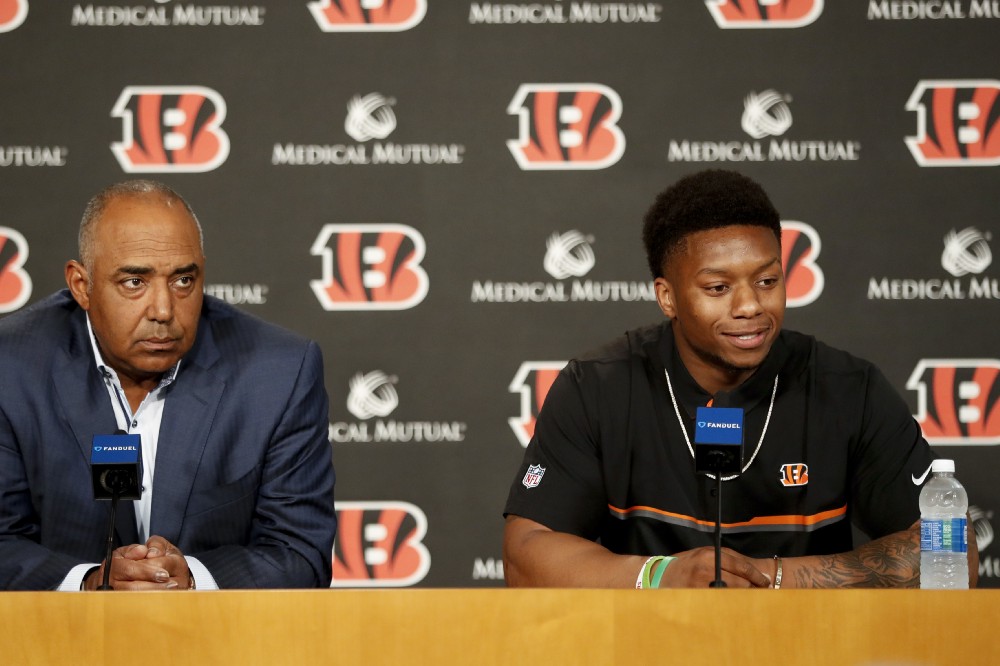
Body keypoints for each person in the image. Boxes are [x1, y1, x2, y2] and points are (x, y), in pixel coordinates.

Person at [503, 169, 978, 589]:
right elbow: (527, 551)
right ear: (667, 297)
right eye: (718, 288)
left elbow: (955, 557)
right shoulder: (598, 387)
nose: (750, 306)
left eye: (767, 281)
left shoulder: (849, 388)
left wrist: (767, 578)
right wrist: (659, 576)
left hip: (809, 650)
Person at [0, 180, 337, 590]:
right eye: (134, 282)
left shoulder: (277, 373)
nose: (163, 310)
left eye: (183, 281)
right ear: (82, 286)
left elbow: (300, 552)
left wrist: (192, 579)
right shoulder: (12, 368)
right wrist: (88, 583)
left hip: (217, 645)